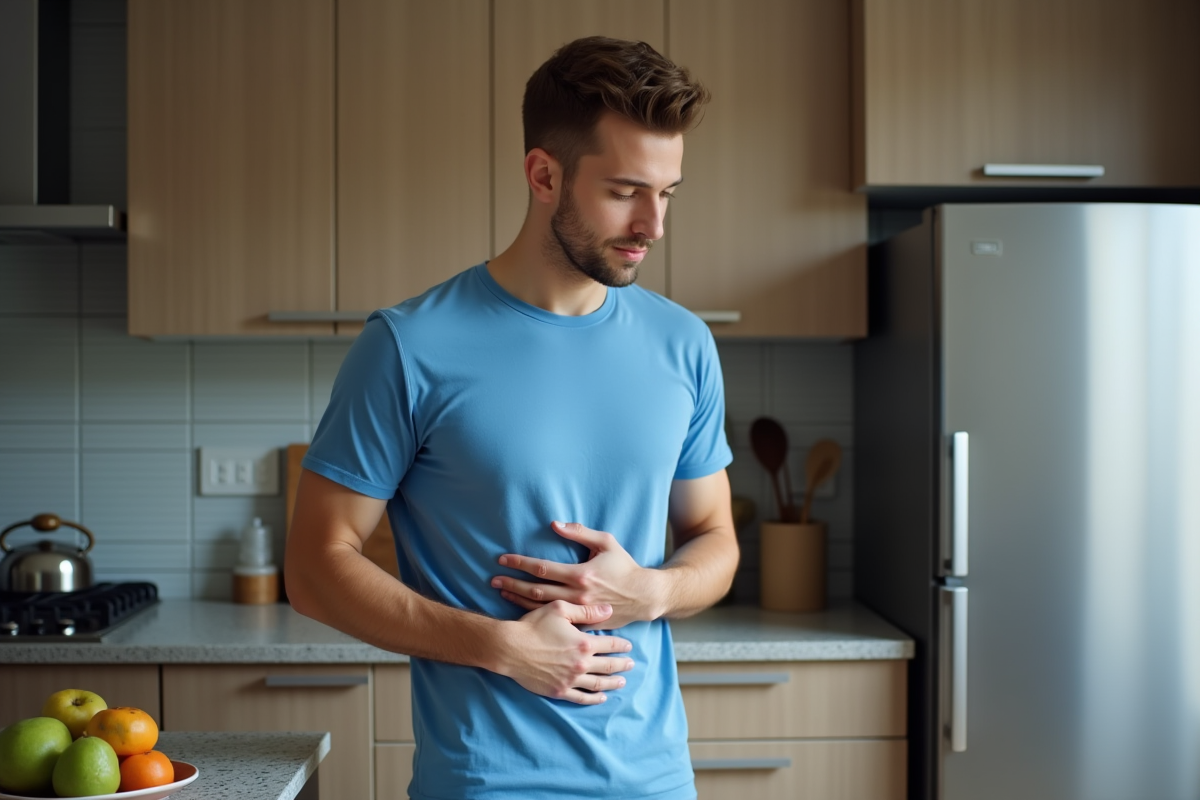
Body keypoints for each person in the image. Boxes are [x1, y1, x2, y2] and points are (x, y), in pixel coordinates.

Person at [285, 35, 738, 800]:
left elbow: (714, 538)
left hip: (655, 781)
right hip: (485, 782)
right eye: (626, 190)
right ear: (543, 175)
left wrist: (651, 593)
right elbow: (314, 567)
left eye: (667, 193)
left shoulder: (683, 344)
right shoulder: (410, 345)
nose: (652, 225)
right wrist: (500, 647)